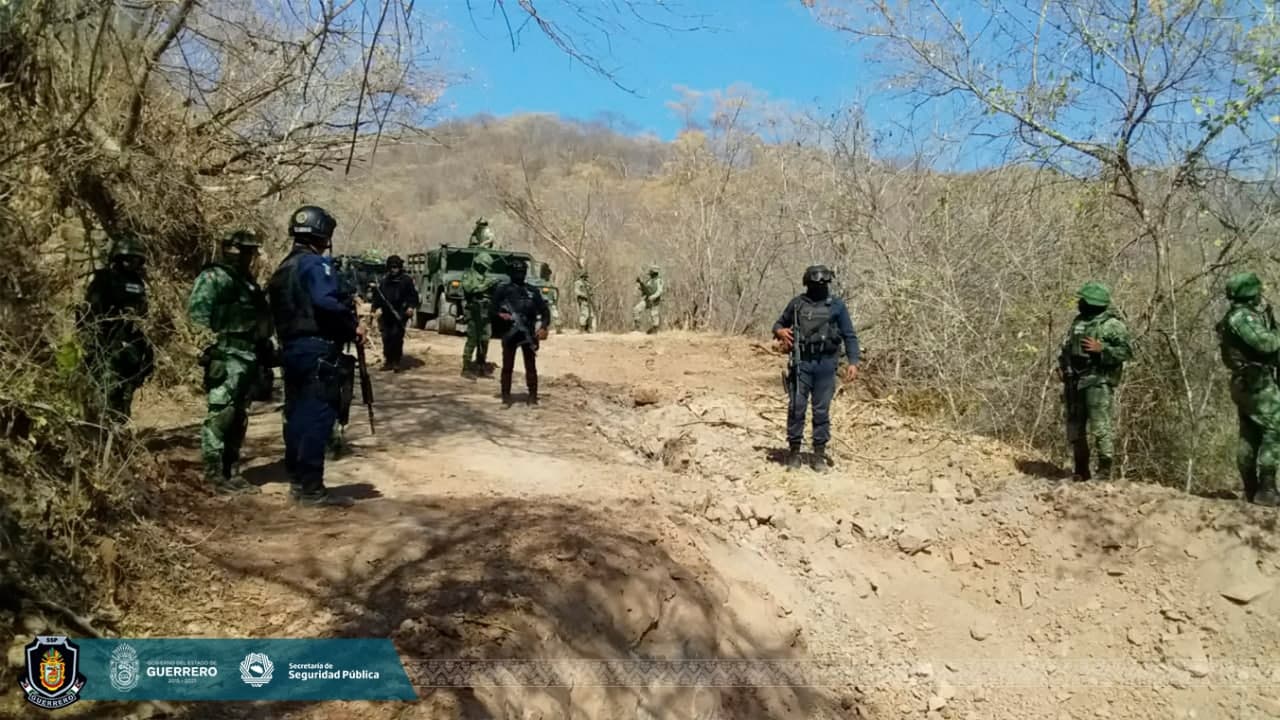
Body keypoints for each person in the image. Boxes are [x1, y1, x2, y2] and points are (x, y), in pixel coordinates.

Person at [267, 205, 363, 508]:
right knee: (317, 416)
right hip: (317, 349)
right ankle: (311, 488)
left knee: (296, 414)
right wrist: (351, 325)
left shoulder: (283, 268)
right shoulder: (315, 265)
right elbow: (326, 302)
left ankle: (298, 481)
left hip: (291, 348)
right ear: (322, 234)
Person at [188, 231, 273, 495]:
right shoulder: (213, 277)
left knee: (239, 416)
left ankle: (231, 471)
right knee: (221, 414)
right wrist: (208, 350)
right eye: (242, 251)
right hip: (226, 353)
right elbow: (197, 317)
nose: (247, 256)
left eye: (250, 252)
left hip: (248, 355)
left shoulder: (246, 282)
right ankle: (213, 475)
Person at [772, 265, 860, 472]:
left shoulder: (836, 306)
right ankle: (794, 453)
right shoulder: (797, 304)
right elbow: (777, 324)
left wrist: (853, 362)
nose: (820, 287)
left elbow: (849, 335)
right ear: (808, 284)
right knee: (797, 408)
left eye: (823, 283)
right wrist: (780, 331)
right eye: (816, 283)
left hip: (826, 365)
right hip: (802, 363)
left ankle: (818, 455)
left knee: (821, 411)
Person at [1216, 272, 1280, 506]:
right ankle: (1266, 488)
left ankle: (1252, 490)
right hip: (1256, 384)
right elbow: (1267, 344)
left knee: (1250, 435)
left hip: (1248, 383)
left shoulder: (1238, 316)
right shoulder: (1242, 317)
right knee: (1275, 428)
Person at [1058, 282, 1132, 482]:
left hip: (1098, 381)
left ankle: (1104, 471)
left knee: (1100, 427)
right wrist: (1063, 366)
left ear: (1093, 303)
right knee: (1075, 427)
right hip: (1075, 380)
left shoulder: (1112, 325)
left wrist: (1103, 349)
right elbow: (1066, 347)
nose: (1080, 303)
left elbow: (1126, 352)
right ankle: (1081, 470)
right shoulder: (1078, 322)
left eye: (1084, 300)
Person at [78, 233, 155, 423]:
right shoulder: (105, 279)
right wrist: (96, 343)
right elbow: (92, 313)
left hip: (131, 345)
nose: (131, 263)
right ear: (118, 257)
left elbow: (142, 315)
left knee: (126, 390)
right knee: (108, 389)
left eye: (135, 259)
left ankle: (118, 432)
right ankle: (106, 434)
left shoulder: (138, 283)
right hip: (107, 343)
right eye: (127, 258)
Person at [492, 258, 551, 405]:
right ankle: (506, 396)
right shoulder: (503, 290)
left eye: (522, 271)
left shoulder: (532, 291)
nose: (520, 274)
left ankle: (532, 397)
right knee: (507, 367)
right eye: (517, 271)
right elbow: (491, 310)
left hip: (528, 332)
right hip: (509, 332)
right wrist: (501, 315)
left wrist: (543, 327)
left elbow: (545, 312)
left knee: (530, 366)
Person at [371, 254, 419, 372]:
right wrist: (374, 307)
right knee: (386, 337)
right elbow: (379, 297)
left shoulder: (406, 280)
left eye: (396, 267)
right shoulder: (385, 281)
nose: (394, 269)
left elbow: (413, 297)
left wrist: (411, 307)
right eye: (392, 267)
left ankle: (396, 361)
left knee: (396, 336)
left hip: (400, 313)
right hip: (387, 314)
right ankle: (388, 361)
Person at [461, 252, 498, 375]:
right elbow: (469, 289)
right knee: (472, 339)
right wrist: (485, 285)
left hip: (486, 311)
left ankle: (480, 365)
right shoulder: (468, 275)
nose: (484, 269)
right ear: (478, 263)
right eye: (483, 266)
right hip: (474, 310)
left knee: (485, 339)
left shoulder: (487, 277)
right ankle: (466, 367)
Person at [633, 265, 664, 333]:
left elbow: (660, 291)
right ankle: (637, 328)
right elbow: (646, 290)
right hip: (647, 300)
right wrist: (641, 285)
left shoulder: (659, 281)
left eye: (651, 272)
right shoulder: (649, 281)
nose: (650, 273)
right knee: (636, 309)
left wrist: (653, 297)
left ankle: (655, 331)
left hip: (655, 301)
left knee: (654, 315)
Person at [574, 269, 597, 333]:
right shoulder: (578, 283)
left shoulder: (588, 283)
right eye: (584, 276)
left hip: (589, 301)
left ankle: (588, 328)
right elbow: (577, 292)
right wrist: (584, 295)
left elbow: (591, 292)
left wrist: (591, 293)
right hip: (582, 301)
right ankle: (582, 328)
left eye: (586, 276)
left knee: (591, 315)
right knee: (584, 314)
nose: (586, 277)